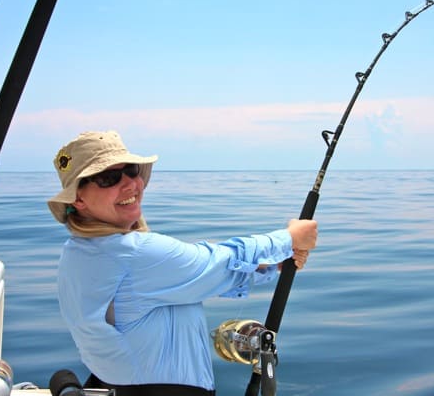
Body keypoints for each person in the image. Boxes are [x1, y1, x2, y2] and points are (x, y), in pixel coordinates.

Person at [48, 130, 318, 396]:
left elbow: (191, 279)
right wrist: (288, 238)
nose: (130, 183)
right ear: (78, 199)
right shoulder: (134, 254)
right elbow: (217, 262)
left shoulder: (77, 252)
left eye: (131, 170)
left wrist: (271, 264)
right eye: (108, 178)